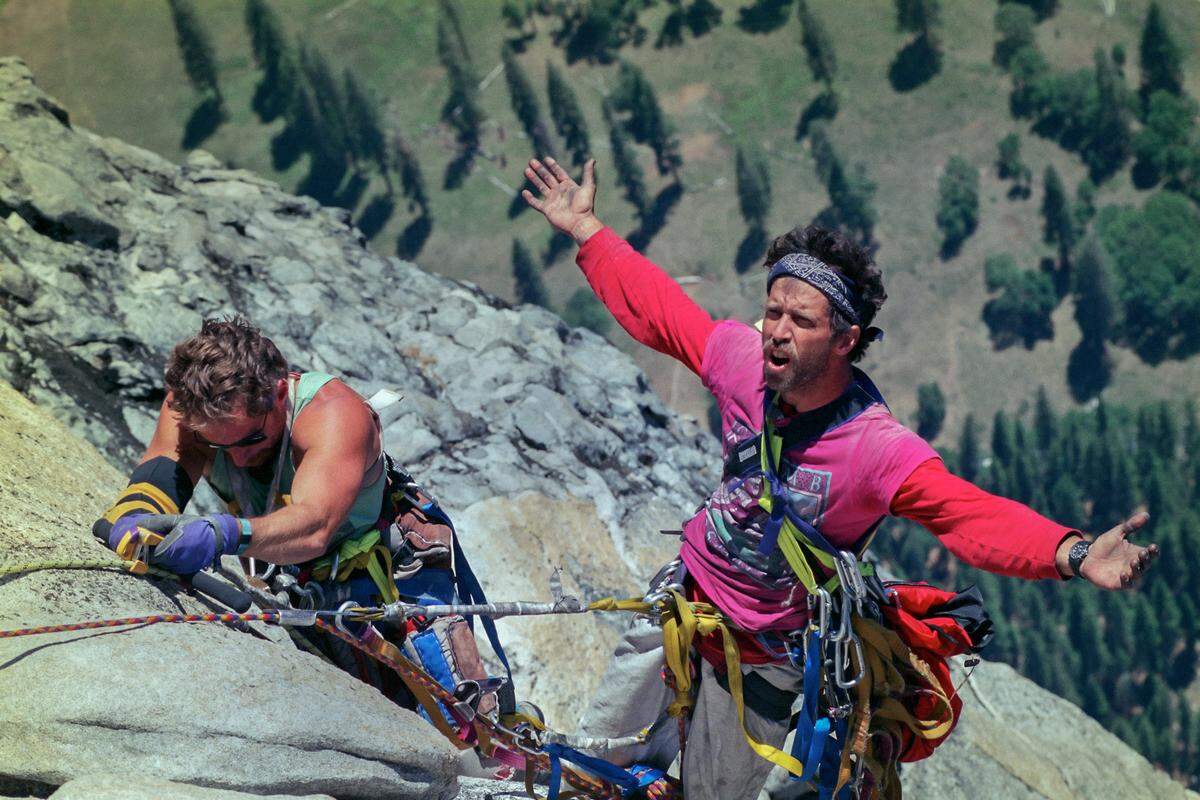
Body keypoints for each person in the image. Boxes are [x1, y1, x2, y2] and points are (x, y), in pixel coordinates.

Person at [520, 155, 1159, 800]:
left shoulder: (874, 449)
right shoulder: (740, 360)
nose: (776, 333)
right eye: (772, 312)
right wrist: (588, 231)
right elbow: (661, 311)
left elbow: (968, 514)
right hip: (682, 605)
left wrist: (1071, 553)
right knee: (586, 772)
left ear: (846, 339)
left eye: (801, 322)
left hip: (765, 665)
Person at [92, 316, 507, 727]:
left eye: (251, 439)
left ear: (277, 395)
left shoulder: (334, 414)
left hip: (388, 571)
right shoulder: (192, 407)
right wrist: (133, 516)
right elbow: (163, 470)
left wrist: (226, 533)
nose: (236, 458)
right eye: (217, 445)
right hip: (293, 577)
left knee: (465, 725)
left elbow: (314, 526)